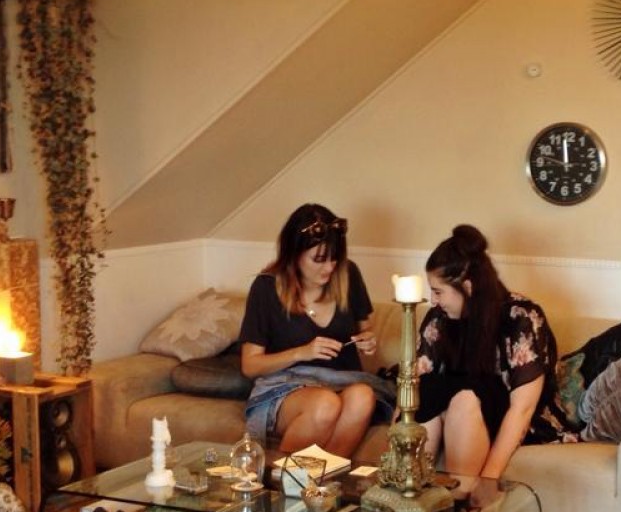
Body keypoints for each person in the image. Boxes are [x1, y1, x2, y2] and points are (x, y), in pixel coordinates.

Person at [416, 224, 577, 486]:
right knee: (426, 389)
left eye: (437, 291)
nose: (433, 301)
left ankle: (463, 498)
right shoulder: (439, 318)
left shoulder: (520, 317)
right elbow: (413, 383)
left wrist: (488, 479)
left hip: (505, 413)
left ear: (467, 287)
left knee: (464, 400)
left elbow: (522, 409)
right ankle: (407, 494)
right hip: (462, 408)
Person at [240, 203, 394, 457]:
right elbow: (250, 365)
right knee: (325, 404)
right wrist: (302, 352)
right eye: (319, 259)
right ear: (294, 254)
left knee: (363, 397)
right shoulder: (266, 287)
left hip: (343, 381)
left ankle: (320, 478)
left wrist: (367, 340)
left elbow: (365, 328)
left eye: (334, 258)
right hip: (285, 387)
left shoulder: (348, 274)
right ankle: (286, 477)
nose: (329, 267)